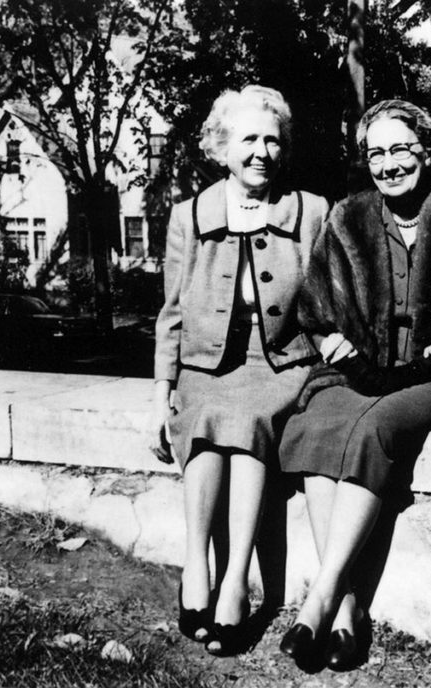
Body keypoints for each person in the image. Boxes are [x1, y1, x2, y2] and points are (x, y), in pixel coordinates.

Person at [277, 99, 431, 669]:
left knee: (378, 424)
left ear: (427, 151)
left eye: (401, 149)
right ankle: (345, 612)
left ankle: (320, 595)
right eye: (376, 153)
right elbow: (316, 309)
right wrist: (333, 340)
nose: (388, 164)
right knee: (316, 423)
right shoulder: (348, 217)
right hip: (359, 366)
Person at [149, 85, 328, 656]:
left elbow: (328, 301)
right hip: (206, 362)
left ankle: (235, 582)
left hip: (280, 363)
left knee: (249, 418)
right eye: (248, 138)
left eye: (273, 140)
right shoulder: (188, 216)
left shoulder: (311, 211)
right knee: (201, 414)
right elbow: (172, 313)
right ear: (221, 146)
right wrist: (161, 396)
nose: (261, 152)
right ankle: (196, 563)